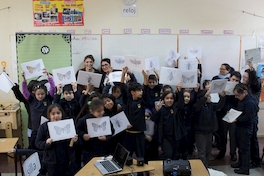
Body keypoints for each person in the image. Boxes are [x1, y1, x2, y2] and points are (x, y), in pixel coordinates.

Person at [35, 104, 78, 176]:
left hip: (66, 160)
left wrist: (74, 140)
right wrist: (46, 143)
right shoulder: (44, 127)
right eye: (53, 114)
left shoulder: (67, 124)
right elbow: (37, 143)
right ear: (49, 115)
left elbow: (73, 144)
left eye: (58, 113)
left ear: (62, 114)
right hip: (51, 161)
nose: (56, 116)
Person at [22, 69, 55, 150]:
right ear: (34, 93)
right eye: (38, 94)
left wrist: (49, 77)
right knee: (34, 148)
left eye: (42, 94)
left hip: (46, 130)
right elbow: (25, 91)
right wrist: (24, 80)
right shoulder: (31, 100)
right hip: (35, 130)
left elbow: (53, 88)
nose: (40, 96)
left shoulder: (48, 99)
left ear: (46, 93)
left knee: (46, 148)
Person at [120, 67, 147, 164]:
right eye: (139, 90)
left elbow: (146, 87)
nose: (141, 92)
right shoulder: (127, 101)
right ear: (132, 92)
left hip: (139, 134)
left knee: (140, 158)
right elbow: (122, 87)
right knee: (127, 158)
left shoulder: (142, 101)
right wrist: (123, 74)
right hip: (128, 134)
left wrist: (145, 76)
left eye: (141, 90)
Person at [193, 89, 226, 167]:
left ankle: (206, 166)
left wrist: (223, 97)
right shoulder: (198, 105)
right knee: (202, 152)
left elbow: (219, 106)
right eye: (208, 96)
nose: (210, 97)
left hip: (209, 131)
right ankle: (202, 168)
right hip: (200, 132)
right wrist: (204, 97)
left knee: (208, 151)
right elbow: (196, 107)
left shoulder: (211, 105)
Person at [231, 83, 258, 175]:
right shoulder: (241, 100)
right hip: (240, 127)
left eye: (238, 95)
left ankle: (245, 168)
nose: (237, 97)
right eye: (235, 95)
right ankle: (240, 163)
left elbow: (248, 116)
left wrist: (236, 119)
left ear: (245, 92)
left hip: (245, 128)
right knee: (240, 147)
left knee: (245, 148)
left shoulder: (250, 102)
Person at [76, 99, 112, 164]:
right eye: (98, 111)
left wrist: (106, 138)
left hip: (103, 148)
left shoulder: (106, 118)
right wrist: (83, 135)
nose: (101, 113)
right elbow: (77, 130)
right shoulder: (83, 120)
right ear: (91, 111)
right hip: (89, 150)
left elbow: (112, 130)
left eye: (102, 110)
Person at [155, 88, 185, 160]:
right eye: (167, 98)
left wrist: (179, 91)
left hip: (176, 136)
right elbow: (155, 120)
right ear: (163, 100)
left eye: (171, 98)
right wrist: (157, 111)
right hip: (165, 137)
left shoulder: (176, 108)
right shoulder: (161, 109)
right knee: (168, 153)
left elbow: (181, 104)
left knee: (176, 154)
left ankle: (173, 169)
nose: (169, 100)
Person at [217, 71, 241, 161]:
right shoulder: (224, 85)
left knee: (233, 135)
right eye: (233, 79)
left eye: (236, 80)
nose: (234, 81)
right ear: (230, 78)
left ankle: (233, 153)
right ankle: (222, 151)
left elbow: (239, 104)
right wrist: (222, 96)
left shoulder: (239, 89)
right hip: (224, 114)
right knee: (222, 135)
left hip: (233, 115)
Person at [242, 63, 262, 168]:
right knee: (245, 140)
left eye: (246, 77)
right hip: (245, 115)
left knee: (252, 139)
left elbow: (255, 82)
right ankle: (245, 161)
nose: (243, 79)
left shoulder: (255, 85)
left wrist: (252, 71)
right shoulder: (244, 85)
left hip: (252, 116)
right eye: (243, 77)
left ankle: (255, 161)